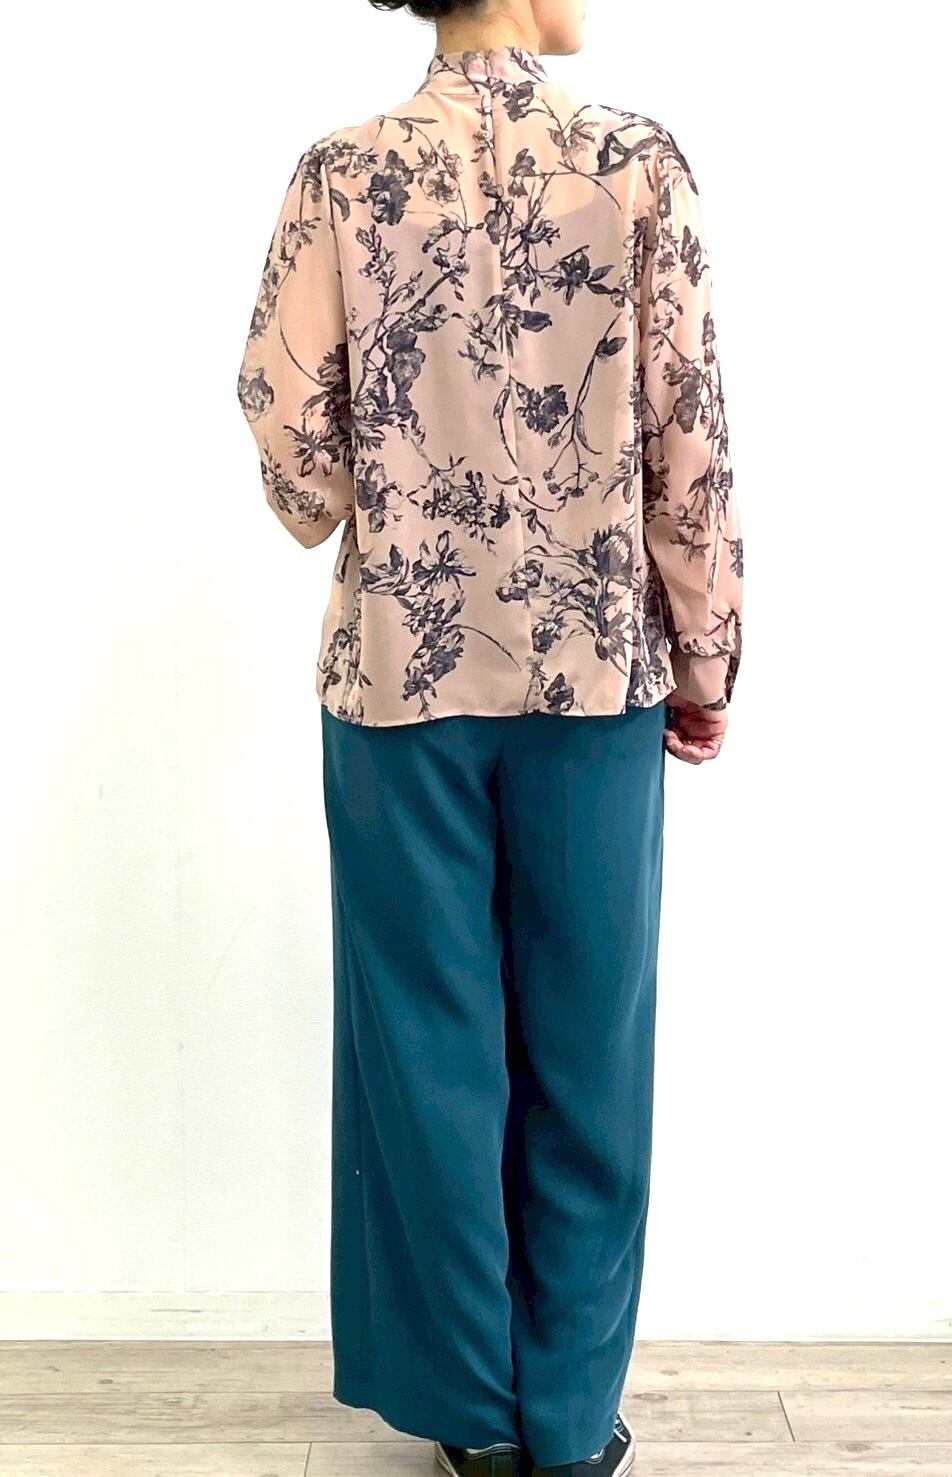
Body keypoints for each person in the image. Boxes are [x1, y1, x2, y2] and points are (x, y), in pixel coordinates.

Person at [236, 0, 742, 1472]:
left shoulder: (343, 172)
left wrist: (366, 495)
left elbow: (283, 420)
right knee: (591, 1047)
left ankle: (475, 1421)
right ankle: (570, 1425)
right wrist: (705, 652)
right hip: (596, 676)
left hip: (400, 676)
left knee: (429, 1049)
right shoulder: (637, 162)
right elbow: (691, 431)